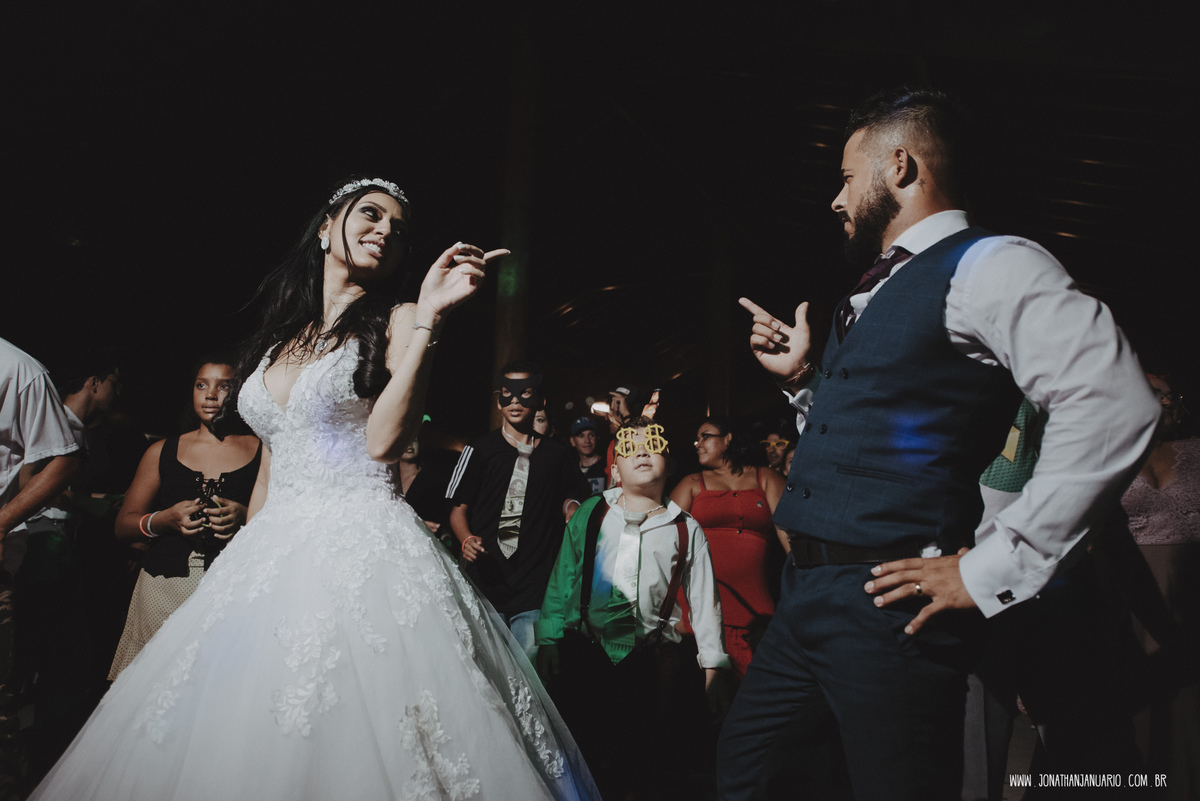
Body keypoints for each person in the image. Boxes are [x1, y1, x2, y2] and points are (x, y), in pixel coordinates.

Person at [29, 177, 598, 800]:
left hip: (363, 542)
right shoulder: (278, 341)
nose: (385, 230)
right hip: (270, 549)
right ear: (327, 227)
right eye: (371, 214)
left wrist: (430, 318)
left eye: (399, 228)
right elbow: (271, 466)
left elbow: (385, 442)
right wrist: (242, 559)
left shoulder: (399, 320)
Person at [720, 88, 1159, 800]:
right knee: (751, 772)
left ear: (899, 166)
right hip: (806, 597)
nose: (836, 199)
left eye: (846, 177)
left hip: (887, 600)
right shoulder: (873, 289)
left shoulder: (992, 263)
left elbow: (1113, 402)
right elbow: (873, 442)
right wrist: (802, 380)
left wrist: (994, 566)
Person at [536, 417, 730, 798]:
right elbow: (563, 577)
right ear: (614, 470)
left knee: (639, 762)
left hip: (646, 663)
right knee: (579, 756)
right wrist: (548, 637)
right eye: (630, 447)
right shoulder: (591, 512)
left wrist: (715, 668)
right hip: (584, 653)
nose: (642, 451)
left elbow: (705, 602)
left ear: (669, 463)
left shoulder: (686, 529)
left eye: (653, 445)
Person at [106, 358, 262, 678]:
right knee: (155, 682)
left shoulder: (264, 451)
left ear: (241, 392)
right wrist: (164, 520)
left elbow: (291, 520)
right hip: (164, 585)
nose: (210, 394)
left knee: (215, 681)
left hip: (233, 587)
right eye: (201, 385)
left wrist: (246, 517)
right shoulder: (161, 451)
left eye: (224, 386)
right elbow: (123, 525)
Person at [448, 363, 590, 658]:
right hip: (487, 582)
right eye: (507, 393)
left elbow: (571, 494)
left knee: (531, 671)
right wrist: (466, 539)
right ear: (498, 401)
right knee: (492, 669)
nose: (514, 400)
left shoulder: (557, 454)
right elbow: (458, 509)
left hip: (535, 585)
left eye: (524, 393)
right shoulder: (479, 450)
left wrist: (571, 506)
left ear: (540, 401)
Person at [671, 417, 788, 679]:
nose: (698, 444)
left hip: (755, 608)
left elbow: (791, 542)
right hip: (698, 608)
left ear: (728, 439)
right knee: (699, 691)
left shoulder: (765, 478)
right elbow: (665, 547)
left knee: (756, 686)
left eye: (705, 436)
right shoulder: (691, 483)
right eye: (696, 440)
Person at [568, 416, 606, 496]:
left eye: (591, 435)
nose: (587, 441)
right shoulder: (571, 469)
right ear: (572, 441)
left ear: (597, 438)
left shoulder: (607, 466)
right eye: (581, 436)